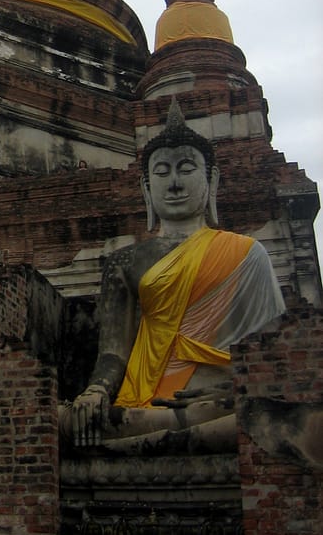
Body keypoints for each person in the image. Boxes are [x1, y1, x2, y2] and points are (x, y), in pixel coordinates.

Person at [67, 98, 284, 450]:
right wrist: (95, 391)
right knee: (70, 423)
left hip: (223, 399)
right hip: (144, 403)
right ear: (146, 188)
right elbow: (113, 354)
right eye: (162, 172)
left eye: (186, 168)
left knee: (263, 417)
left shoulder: (247, 254)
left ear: (211, 179)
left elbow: (271, 352)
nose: (175, 183)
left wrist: (233, 387)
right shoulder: (125, 262)